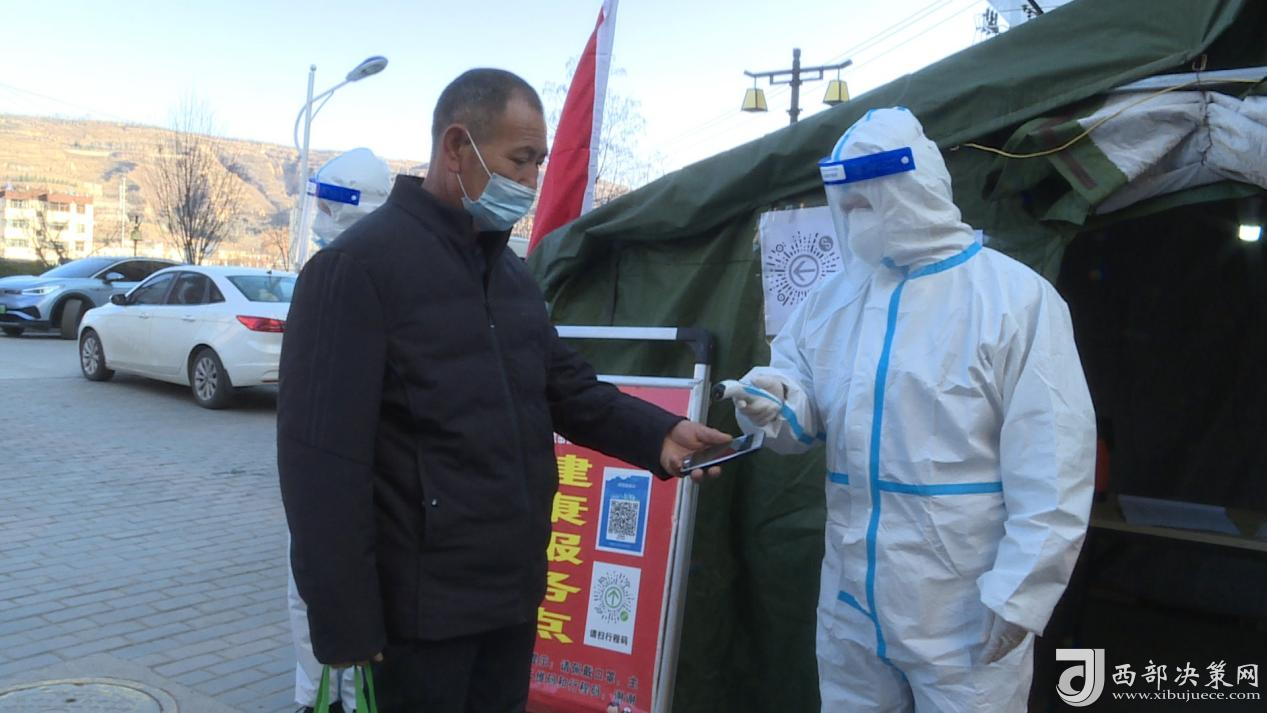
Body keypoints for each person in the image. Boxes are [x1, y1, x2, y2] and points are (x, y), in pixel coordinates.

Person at [277, 68, 729, 713]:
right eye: (521, 160)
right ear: (457, 148)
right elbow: (320, 462)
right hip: (417, 616)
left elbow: (567, 387)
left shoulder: (509, 277)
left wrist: (660, 434)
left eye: (539, 162)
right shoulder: (356, 269)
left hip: (510, 597)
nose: (532, 181)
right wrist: (344, 619)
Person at [728, 107, 1095, 712]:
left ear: (911, 191)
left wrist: (1020, 593)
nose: (854, 218)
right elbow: (802, 407)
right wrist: (775, 402)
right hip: (851, 601)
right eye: (846, 205)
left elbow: (1055, 465)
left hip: (961, 608)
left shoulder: (1015, 300)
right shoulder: (834, 299)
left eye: (866, 203)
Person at [285, 147, 393, 713]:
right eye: (319, 207)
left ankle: (346, 698)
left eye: (332, 208)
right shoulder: (328, 272)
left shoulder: (379, 274)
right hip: (321, 480)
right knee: (308, 595)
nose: (321, 220)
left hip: (365, 484)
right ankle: (315, 696)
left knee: (346, 598)